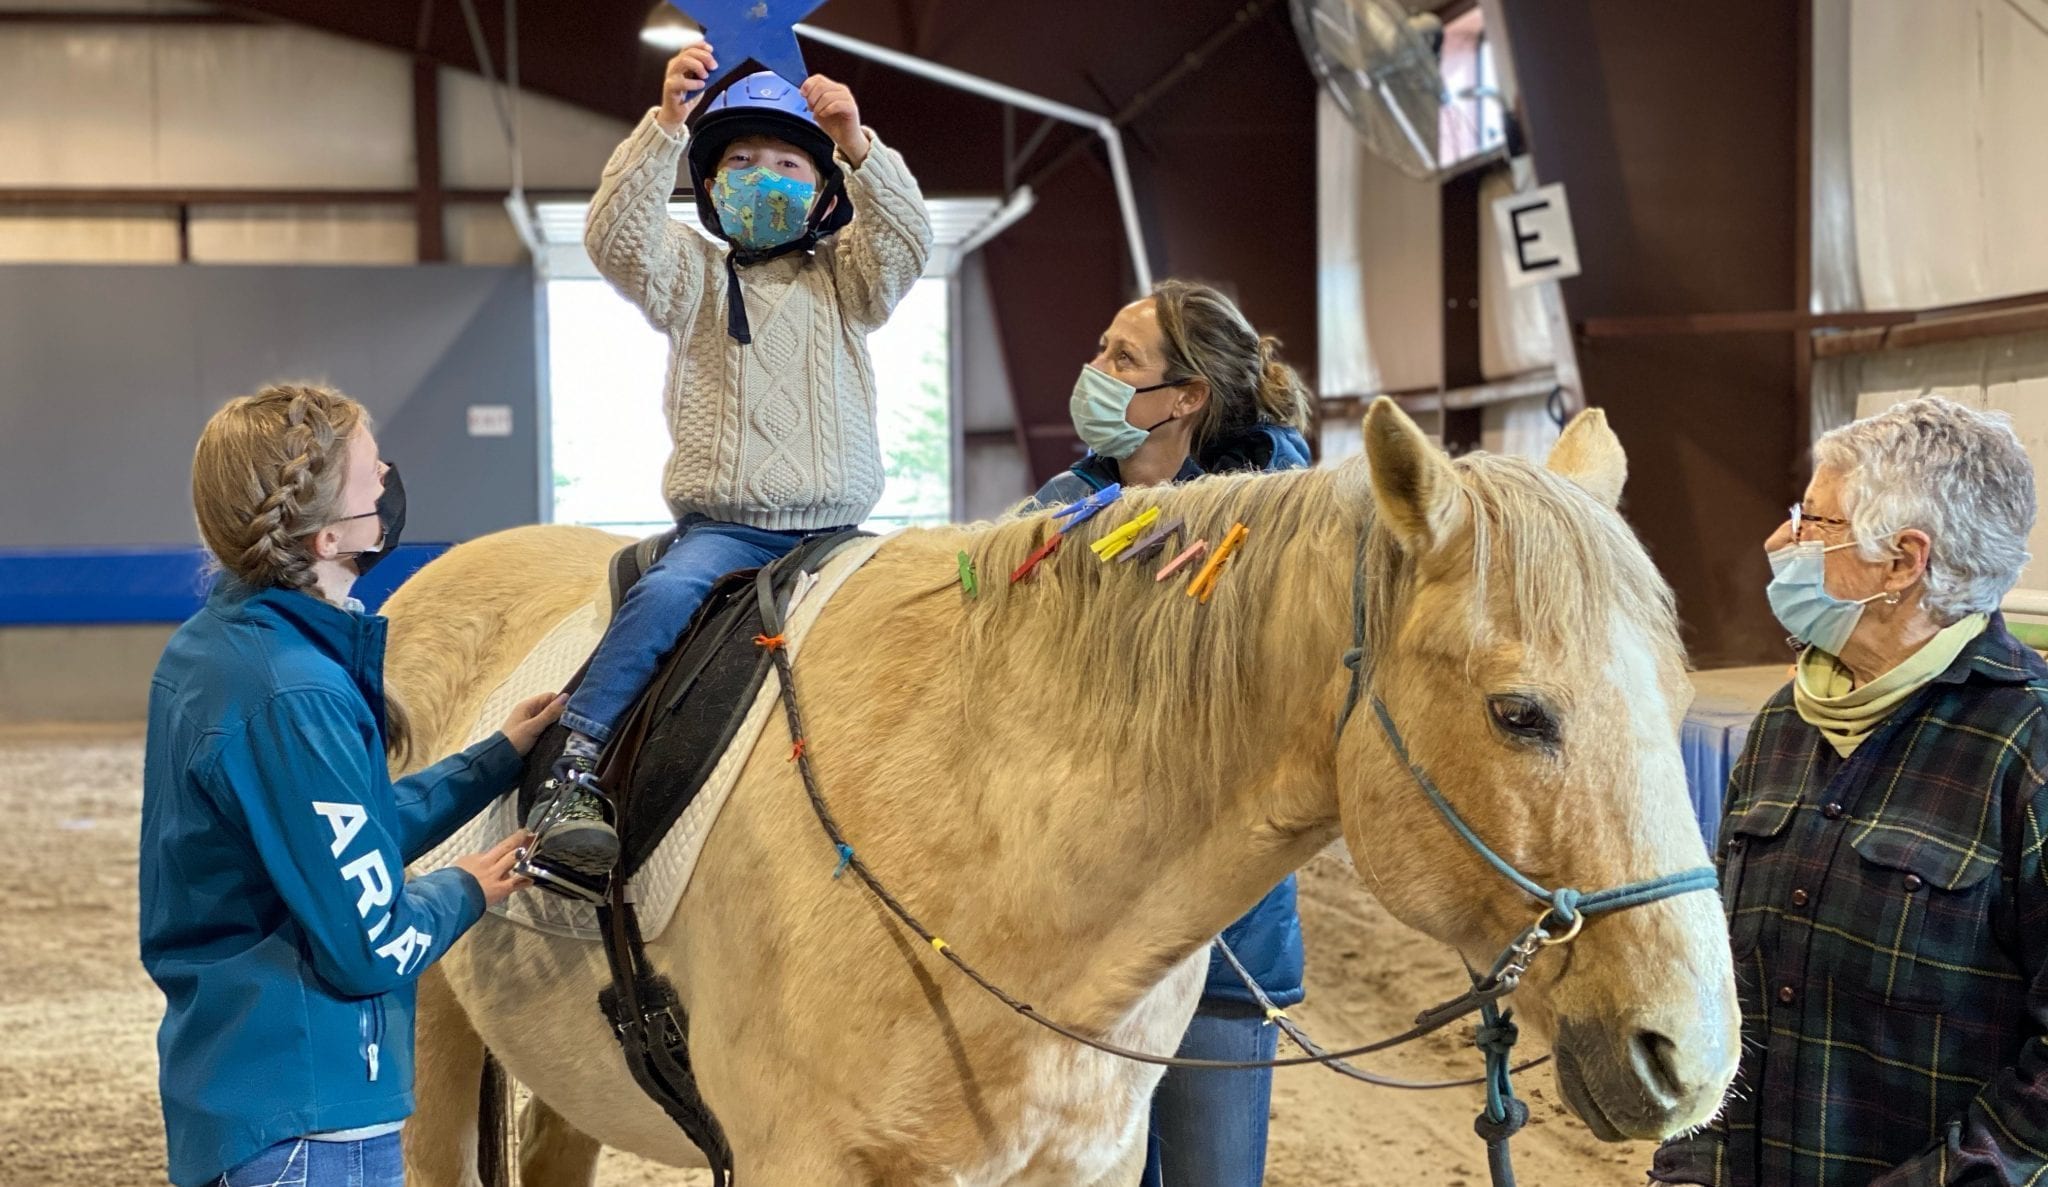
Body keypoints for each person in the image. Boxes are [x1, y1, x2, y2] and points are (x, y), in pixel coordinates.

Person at [522, 41, 934, 901]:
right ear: (708, 188)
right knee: (665, 596)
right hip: (725, 529)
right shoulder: (693, 277)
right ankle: (575, 766)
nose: (762, 175)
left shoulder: (849, 279)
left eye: (787, 161)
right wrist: (665, 127)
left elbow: (907, 242)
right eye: (739, 162)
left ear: (823, 192)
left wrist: (859, 144)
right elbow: (615, 235)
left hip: (838, 531)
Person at [140, 383, 562, 1187]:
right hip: (312, 1119)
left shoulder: (219, 648)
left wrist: (492, 760)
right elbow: (373, 944)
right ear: (330, 534)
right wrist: (463, 889)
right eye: (374, 474)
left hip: (249, 1088)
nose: (389, 484)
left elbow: (330, 837)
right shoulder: (295, 692)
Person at [1651, 396, 2048, 1186]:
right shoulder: (1781, 729)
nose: (1778, 542)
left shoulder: (2027, 748)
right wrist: (1689, 1163)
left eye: (1813, 524)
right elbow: (1727, 994)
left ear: (1904, 561)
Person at [1029, 279, 1313, 1187]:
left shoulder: (1280, 513)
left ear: (1187, 396)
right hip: (1085, 925)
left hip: (1223, 930)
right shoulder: (1059, 503)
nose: (1094, 371)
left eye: (1123, 359)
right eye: (1100, 348)